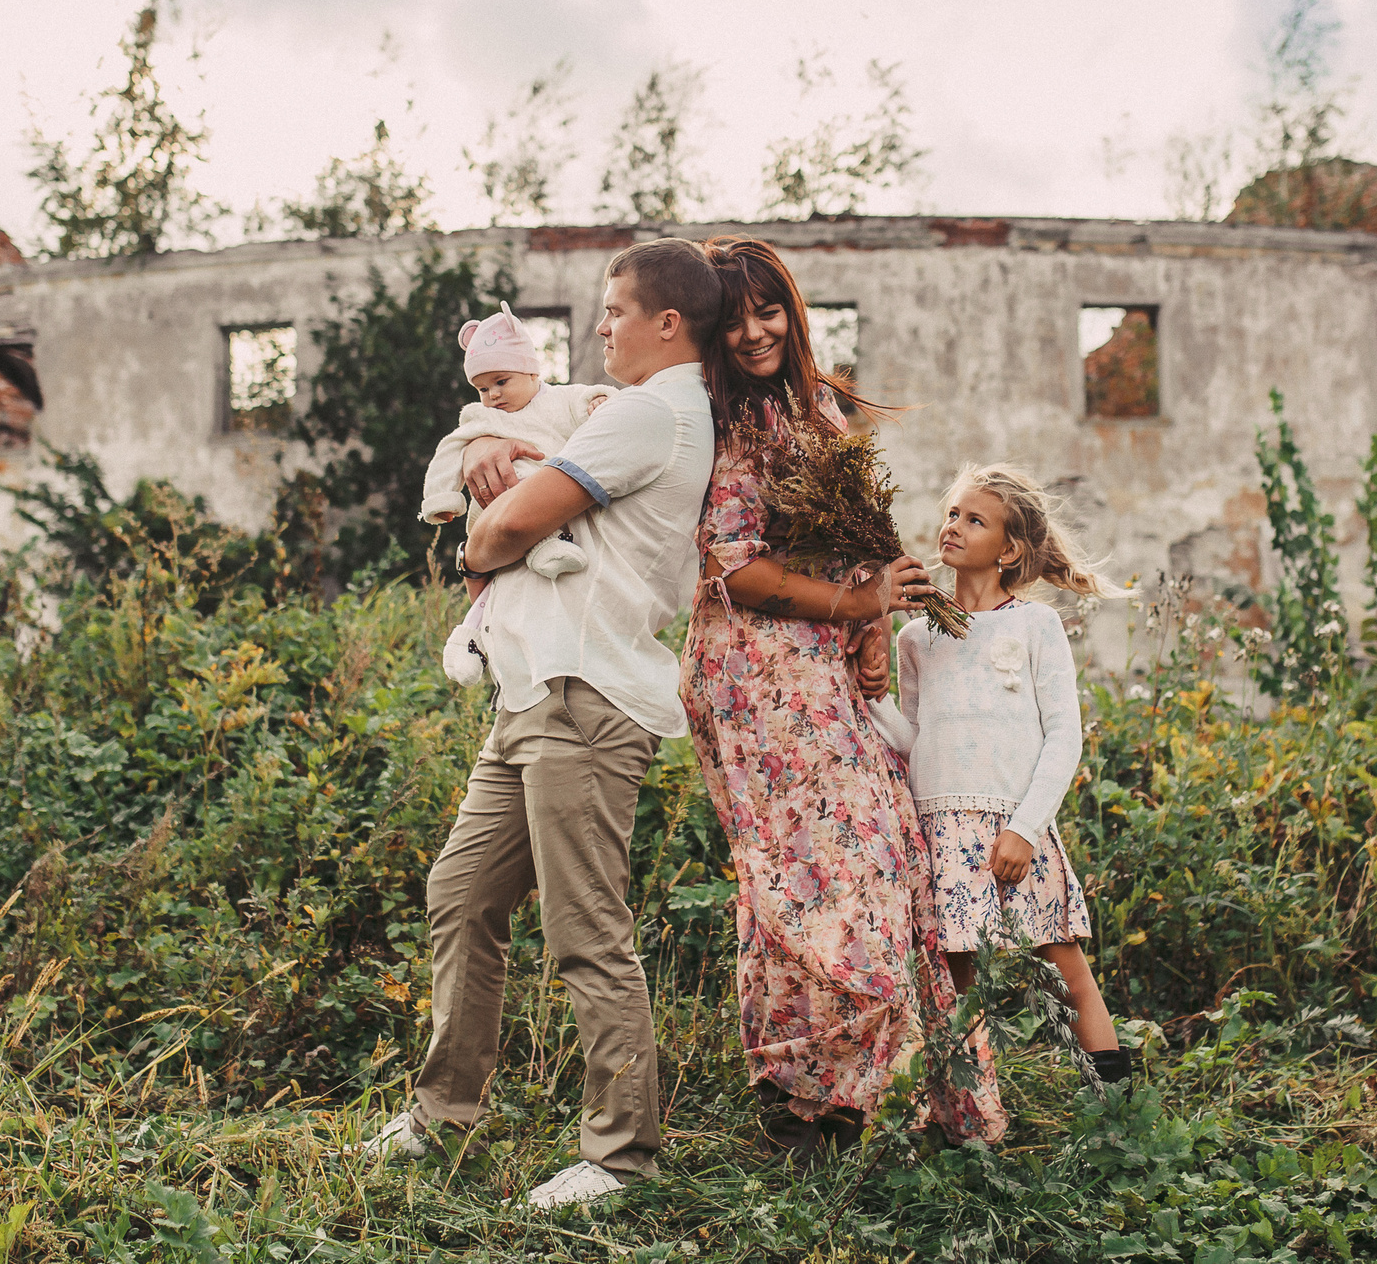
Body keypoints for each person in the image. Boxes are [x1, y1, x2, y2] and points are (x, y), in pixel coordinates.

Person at [361, 238, 722, 1212]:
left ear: (668, 323)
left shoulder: (653, 411)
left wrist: (486, 521)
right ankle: (444, 1112)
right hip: (534, 689)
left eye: (615, 310)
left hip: (584, 694)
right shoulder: (637, 411)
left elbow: (505, 527)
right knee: (460, 892)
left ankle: (621, 1156)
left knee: (586, 929)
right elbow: (507, 492)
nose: (601, 327)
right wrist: (492, 458)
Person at [677, 236, 1005, 1161]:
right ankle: (803, 1100)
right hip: (752, 674)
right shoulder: (715, 421)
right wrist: (853, 604)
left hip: (821, 666)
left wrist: (873, 615)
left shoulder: (817, 407)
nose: (754, 331)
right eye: (733, 318)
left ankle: (874, 1089)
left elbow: (856, 537)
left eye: (769, 309)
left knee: (880, 854)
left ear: (794, 310)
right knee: (804, 872)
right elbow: (736, 569)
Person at [865, 464, 1132, 1085]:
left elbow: (1064, 737)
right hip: (941, 831)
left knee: (1066, 972)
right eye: (952, 514)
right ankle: (972, 1113)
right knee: (957, 983)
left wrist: (1025, 829)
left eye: (974, 520)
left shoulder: (1035, 626)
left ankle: (1117, 1111)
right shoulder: (916, 636)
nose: (953, 526)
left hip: (1013, 829)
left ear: (1009, 550)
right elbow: (915, 741)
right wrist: (874, 699)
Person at [416, 301, 612, 684]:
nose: (492, 395)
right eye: (482, 388)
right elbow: (449, 449)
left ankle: (476, 639)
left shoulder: (559, 400)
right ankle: (472, 638)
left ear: (532, 371)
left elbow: (589, 399)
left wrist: (600, 402)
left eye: (501, 381)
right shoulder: (482, 418)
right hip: (495, 510)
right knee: (495, 584)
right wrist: (441, 498)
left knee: (505, 585)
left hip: (548, 505)